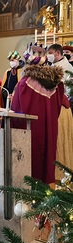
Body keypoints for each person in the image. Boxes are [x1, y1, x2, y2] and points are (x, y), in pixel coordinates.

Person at [11, 44, 65, 184]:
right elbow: (59, 109)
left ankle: (28, 188)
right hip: (49, 128)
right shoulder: (57, 83)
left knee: (32, 159)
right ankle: (47, 186)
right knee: (47, 155)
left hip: (30, 131)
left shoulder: (25, 83)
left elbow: (17, 112)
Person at [47, 44, 73, 179]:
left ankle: (62, 173)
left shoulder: (67, 68)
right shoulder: (52, 66)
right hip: (53, 106)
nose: (48, 56)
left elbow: (66, 90)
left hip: (62, 108)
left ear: (57, 53)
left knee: (61, 141)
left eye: (50, 53)